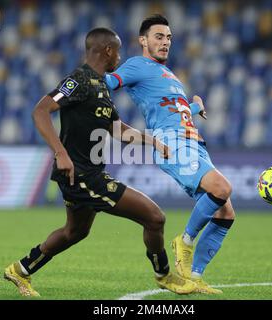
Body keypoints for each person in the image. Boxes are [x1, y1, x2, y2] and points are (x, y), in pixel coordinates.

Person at [4, 27, 196, 297]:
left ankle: (19, 270)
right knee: (155, 218)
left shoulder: (102, 86)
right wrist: (60, 153)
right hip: (83, 175)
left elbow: (118, 130)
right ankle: (164, 275)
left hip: (83, 174)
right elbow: (40, 111)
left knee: (75, 231)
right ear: (108, 50)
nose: (119, 56)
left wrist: (153, 141)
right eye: (117, 50)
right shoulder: (79, 80)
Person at [105, 14, 236, 294]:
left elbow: (168, 107)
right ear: (143, 40)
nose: (165, 43)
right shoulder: (137, 65)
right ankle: (185, 241)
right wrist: (82, 82)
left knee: (225, 213)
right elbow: (107, 82)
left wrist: (192, 106)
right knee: (222, 187)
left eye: (169, 38)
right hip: (171, 142)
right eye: (159, 37)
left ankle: (195, 277)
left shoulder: (168, 74)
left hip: (194, 142)